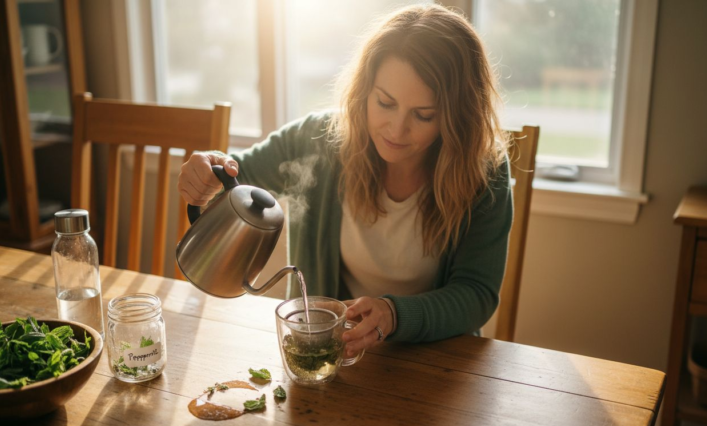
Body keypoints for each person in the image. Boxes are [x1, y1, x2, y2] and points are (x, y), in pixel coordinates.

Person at [177, 4, 512, 357]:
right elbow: (237, 176)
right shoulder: (318, 140)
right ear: (365, 90)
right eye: (385, 103)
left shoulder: (483, 172)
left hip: (435, 363)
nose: (397, 130)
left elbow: (476, 294)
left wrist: (394, 314)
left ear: (458, 116)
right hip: (328, 360)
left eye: (424, 115)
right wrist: (211, 169)